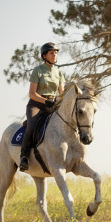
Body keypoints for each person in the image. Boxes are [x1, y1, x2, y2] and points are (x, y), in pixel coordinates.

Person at [19, 42, 66, 171]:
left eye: (56, 53)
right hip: (37, 104)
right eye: (52, 53)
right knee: (32, 126)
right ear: (44, 56)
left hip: (52, 104)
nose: (54, 55)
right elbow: (32, 94)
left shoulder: (59, 73)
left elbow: (62, 93)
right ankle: (24, 157)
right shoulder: (38, 71)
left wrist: (59, 100)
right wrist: (45, 101)